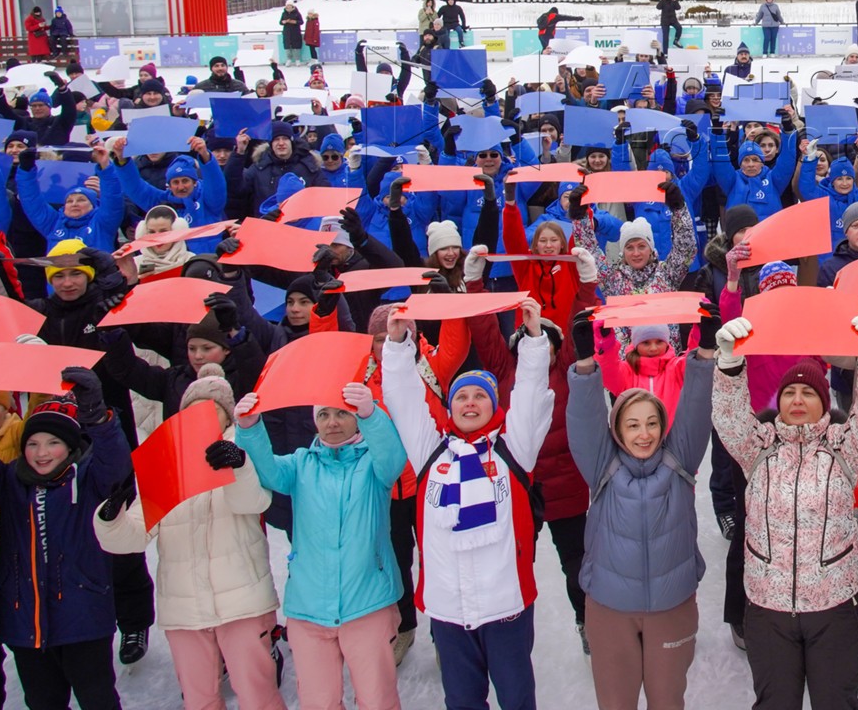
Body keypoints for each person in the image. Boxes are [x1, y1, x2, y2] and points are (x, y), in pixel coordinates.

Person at [712, 311, 858, 710]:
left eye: (808, 393)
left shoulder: (843, 446)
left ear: (824, 404)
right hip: (768, 607)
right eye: (790, 393)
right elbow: (728, 419)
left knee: (836, 702)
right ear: (779, 402)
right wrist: (728, 365)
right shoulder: (757, 447)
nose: (797, 400)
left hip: (834, 608)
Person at [381, 298, 553, 710]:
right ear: (450, 405)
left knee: (516, 699)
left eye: (480, 396)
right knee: (461, 701)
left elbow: (529, 396)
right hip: (448, 610)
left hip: (506, 607)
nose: (471, 402)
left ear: (494, 405)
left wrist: (532, 341)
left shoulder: (513, 449)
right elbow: (404, 400)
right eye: (462, 396)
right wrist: (398, 342)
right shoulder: (430, 453)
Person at [90, 364, 285, 710]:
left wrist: (237, 465)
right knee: (199, 699)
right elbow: (133, 537)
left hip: (242, 601)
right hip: (183, 607)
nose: (203, 421)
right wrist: (110, 519)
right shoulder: (166, 460)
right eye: (194, 413)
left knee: (257, 694)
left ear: (226, 418)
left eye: (213, 413)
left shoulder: (241, 450)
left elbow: (255, 501)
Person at [567, 309, 717, 710]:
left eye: (652, 423)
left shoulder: (679, 461)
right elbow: (584, 420)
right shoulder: (603, 466)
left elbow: (697, 410)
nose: (645, 433)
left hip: (672, 607)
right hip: (610, 609)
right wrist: (585, 364)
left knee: (668, 701)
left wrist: (704, 354)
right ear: (617, 429)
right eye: (633, 425)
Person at [235, 380, 407, 710]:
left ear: (355, 417)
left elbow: (394, 459)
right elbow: (267, 471)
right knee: (318, 702)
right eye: (324, 414)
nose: (332, 423)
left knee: (377, 700)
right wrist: (249, 427)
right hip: (309, 609)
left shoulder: (373, 464)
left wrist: (372, 414)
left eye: (342, 413)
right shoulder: (300, 464)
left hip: (367, 603)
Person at [0, 368, 131, 710]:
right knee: (42, 702)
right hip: (25, 622)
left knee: (98, 699)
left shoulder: (89, 480)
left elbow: (116, 463)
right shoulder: (10, 480)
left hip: (83, 617)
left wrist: (98, 416)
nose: (42, 452)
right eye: (33, 443)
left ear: (70, 447)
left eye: (53, 443)